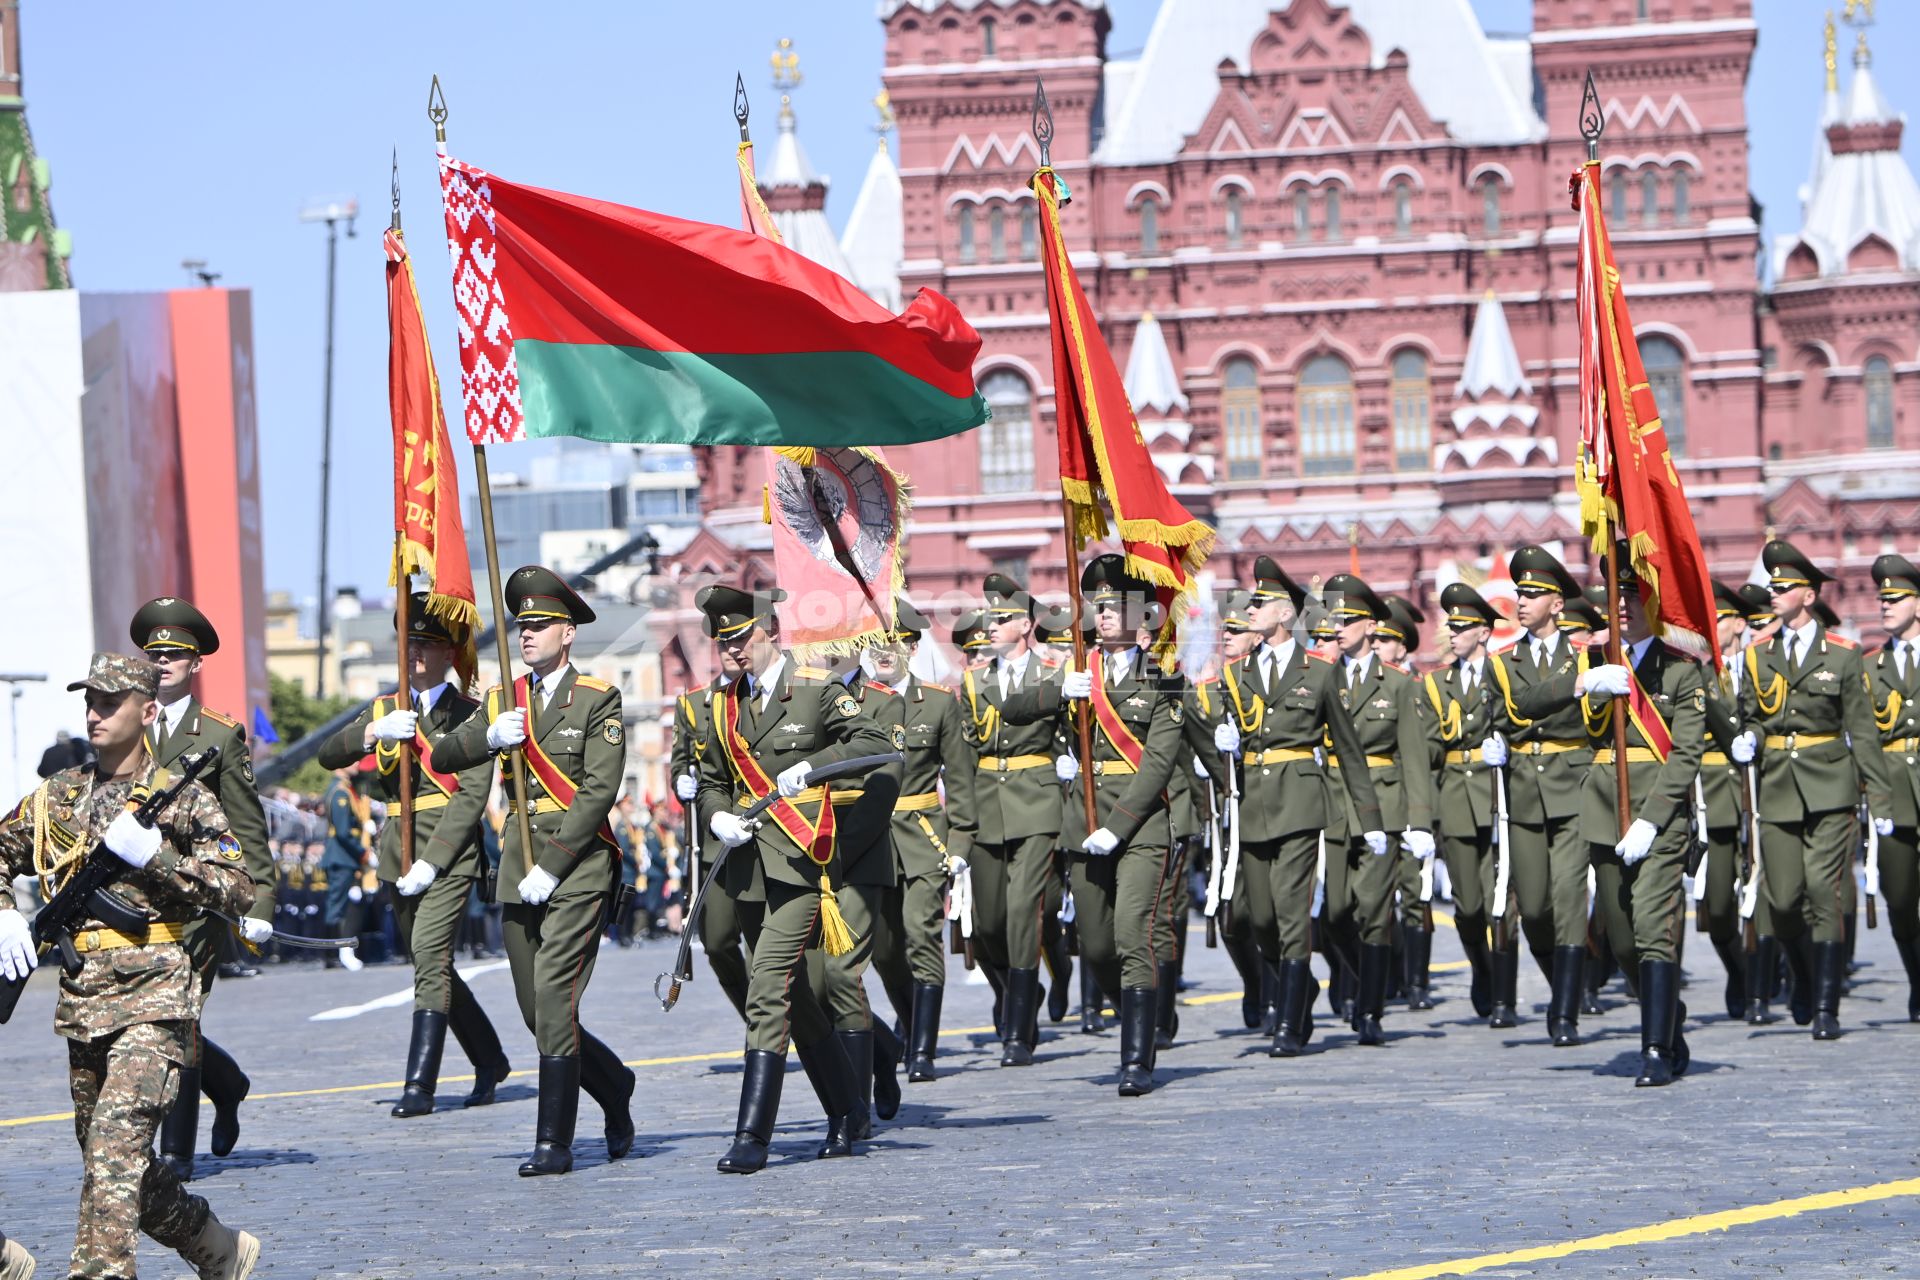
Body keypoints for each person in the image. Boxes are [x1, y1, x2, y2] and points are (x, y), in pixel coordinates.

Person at [0, 653, 259, 1278]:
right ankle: (213, 1243)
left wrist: (157, 859)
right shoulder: (58, 797)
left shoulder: (183, 798)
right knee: (114, 1166)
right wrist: (4, 908)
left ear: (146, 711)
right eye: (89, 701)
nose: (94, 713)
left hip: (157, 998)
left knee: (115, 1151)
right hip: (83, 1001)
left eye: (109, 702)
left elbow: (238, 888)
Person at [430, 566, 636, 1175]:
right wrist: (489, 738)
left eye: (540, 625)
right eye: (521, 625)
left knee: (553, 997)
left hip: (576, 867)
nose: (526, 635)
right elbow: (442, 753)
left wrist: (555, 863)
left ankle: (553, 1142)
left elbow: (599, 788)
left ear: (567, 634)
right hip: (517, 868)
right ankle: (614, 1084)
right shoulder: (503, 700)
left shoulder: (599, 698)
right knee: (534, 1011)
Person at [691, 584, 893, 1174]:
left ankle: (753, 1134)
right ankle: (848, 1108)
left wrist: (813, 766)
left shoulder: (813, 689)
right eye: (723, 643)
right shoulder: (722, 705)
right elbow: (709, 777)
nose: (732, 652)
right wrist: (716, 815)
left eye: (741, 639)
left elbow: (874, 743)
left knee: (766, 987)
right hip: (749, 868)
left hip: (804, 864)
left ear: (769, 633)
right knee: (796, 1000)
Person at [315, 595, 512, 1118]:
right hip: (396, 851)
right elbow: (329, 754)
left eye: (427, 643)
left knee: (428, 956)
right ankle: (490, 1059)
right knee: (433, 963)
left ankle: (419, 1084)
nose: (416, 652)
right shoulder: (387, 708)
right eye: (410, 642)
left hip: (447, 853)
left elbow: (471, 794)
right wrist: (373, 732)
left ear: (453, 652)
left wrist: (436, 859)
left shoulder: (471, 714)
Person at [1512, 549, 1704, 1085]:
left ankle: (1654, 1052)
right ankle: (1669, 1018)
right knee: (1621, 942)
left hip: (1656, 818)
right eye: (1611, 594)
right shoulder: (1594, 661)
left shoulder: (1680, 668)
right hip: (1602, 811)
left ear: (1654, 602)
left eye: (1630, 593)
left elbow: (1685, 753)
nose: (1617, 604)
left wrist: (1654, 818)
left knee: (1652, 934)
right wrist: (1580, 685)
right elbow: (1526, 703)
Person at [1005, 557, 1185, 1093]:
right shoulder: (1077, 673)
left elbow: (1157, 761)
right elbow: (1011, 709)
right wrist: (1059, 692)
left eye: (1116, 606)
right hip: (1083, 823)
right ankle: (1139, 1016)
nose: (1103, 615)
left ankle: (1137, 1059)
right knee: (1097, 944)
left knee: (1133, 934)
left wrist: (1122, 823)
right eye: (1097, 606)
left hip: (1140, 826)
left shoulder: (1165, 679)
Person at [1213, 557, 1385, 1057]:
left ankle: (1289, 1023)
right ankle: (1302, 986)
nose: (1251, 608)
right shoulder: (1236, 672)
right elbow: (1218, 734)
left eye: (1261, 603)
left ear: (1285, 614)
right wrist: (1219, 750)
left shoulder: (1321, 672)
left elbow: (1349, 750)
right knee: (1258, 918)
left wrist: (1370, 819)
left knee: (1291, 915)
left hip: (1301, 800)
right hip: (1251, 802)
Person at [129, 598, 275, 1184]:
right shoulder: (125, 724)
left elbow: (247, 826)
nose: (163, 663)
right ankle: (227, 1082)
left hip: (198, 899)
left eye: (175, 656)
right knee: (151, 1018)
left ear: (195, 664)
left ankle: (177, 1151)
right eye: (155, 655)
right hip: (134, 901)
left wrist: (258, 900)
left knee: (180, 1015)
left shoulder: (217, 734)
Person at [1731, 540, 1892, 1040]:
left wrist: (1879, 797)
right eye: (1773, 586)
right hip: (1778, 787)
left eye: (1784, 587)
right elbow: (1753, 717)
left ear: (1808, 594)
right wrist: (1748, 738)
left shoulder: (1844, 656)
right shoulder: (1758, 656)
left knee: (1824, 891)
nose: (1774, 593)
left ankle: (1825, 1005)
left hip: (1830, 787)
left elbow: (1862, 730)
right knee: (1782, 900)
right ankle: (1802, 977)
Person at [1479, 545, 1596, 1045]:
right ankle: (1563, 984)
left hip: (1574, 787)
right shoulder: (1504, 662)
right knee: (1535, 908)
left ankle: (1565, 1010)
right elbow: (1508, 715)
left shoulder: (1589, 657)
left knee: (1569, 899)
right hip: (1524, 789)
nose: (1521, 601)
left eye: (1532, 594)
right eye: (1520, 593)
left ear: (1558, 603)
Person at [1316, 575, 1437, 1045]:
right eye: (1335, 620)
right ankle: (1361, 981)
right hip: (1332, 802)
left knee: (1372, 909)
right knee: (1335, 914)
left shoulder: (1400, 686)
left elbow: (1412, 755)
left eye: (1348, 620)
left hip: (1384, 807)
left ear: (1371, 625)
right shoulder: (1320, 676)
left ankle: (1370, 1008)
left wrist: (1420, 821)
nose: (1339, 627)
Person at [959, 573, 1070, 1066]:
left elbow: (1073, 735)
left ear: (1025, 625)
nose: (992, 625)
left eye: (1002, 619)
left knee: (1024, 911)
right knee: (986, 924)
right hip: (985, 805)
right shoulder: (972, 680)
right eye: (989, 618)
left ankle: (1019, 1032)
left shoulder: (1053, 674)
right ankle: (1016, 992)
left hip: (1037, 800)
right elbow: (962, 755)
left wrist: (1068, 764)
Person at [865, 598, 977, 1084]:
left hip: (923, 836)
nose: (885, 652)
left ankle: (923, 1050)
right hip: (871, 841)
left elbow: (961, 779)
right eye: (876, 644)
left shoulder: (937, 703)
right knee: (885, 951)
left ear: (911, 647)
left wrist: (961, 844)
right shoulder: (857, 701)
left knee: (920, 935)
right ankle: (910, 1027)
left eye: (895, 642)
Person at [670, 643, 751, 1018]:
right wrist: (680, 780)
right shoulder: (694, 703)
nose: (733, 652)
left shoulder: (763, 696)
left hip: (761, 834)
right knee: (717, 941)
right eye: (725, 643)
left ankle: (772, 1025)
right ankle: (755, 1013)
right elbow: (681, 760)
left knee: (766, 942)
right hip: (714, 841)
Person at [1864, 554, 1920, 1021]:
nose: (1885, 604)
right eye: (1882, 598)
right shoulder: (1869, 666)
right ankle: (1916, 979)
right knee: (1900, 900)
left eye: (1895, 598)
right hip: (1892, 794)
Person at [319, 770, 367, 972]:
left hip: (344, 856)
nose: (356, 764)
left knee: (340, 906)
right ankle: (332, 954)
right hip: (341, 856)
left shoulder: (345, 790)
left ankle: (336, 954)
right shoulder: (340, 792)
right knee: (336, 907)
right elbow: (343, 831)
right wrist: (362, 851)